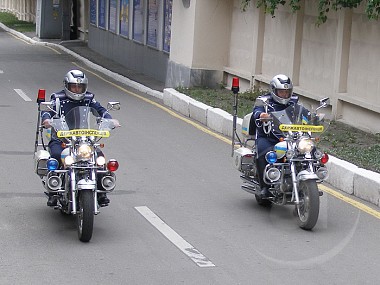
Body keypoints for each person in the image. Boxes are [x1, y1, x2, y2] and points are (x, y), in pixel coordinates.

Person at [41, 69, 120, 207]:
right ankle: (54, 191)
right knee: (55, 155)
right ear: (67, 85)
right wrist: (47, 120)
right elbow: (47, 111)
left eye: (80, 87)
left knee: (99, 158)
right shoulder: (58, 98)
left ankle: (101, 192)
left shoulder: (89, 98)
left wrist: (110, 120)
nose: (77, 89)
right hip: (62, 139)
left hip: (84, 139)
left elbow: (101, 110)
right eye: (74, 86)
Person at [252, 74, 298, 198]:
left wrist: (314, 118)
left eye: (287, 92)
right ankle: (264, 187)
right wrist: (261, 115)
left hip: (289, 138)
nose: (285, 95)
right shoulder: (264, 101)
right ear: (274, 90)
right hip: (268, 137)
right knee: (263, 153)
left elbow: (302, 114)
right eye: (282, 92)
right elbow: (256, 112)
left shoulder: (294, 102)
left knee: (309, 152)